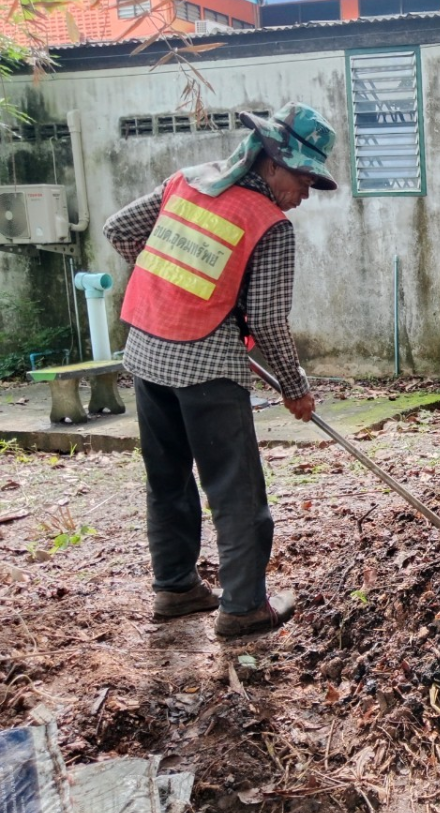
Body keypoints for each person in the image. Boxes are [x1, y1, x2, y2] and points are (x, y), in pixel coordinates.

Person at [104, 102, 337, 638]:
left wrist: (172, 287)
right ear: (273, 163)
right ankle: (243, 607)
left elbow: (120, 230)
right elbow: (270, 319)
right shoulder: (269, 224)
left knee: (168, 480)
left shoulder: (183, 183)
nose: (303, 195)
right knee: (236, 491)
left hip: (146, 352)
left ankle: (176, 589)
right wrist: (296, 389)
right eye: (303, 179)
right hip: (208, 367)